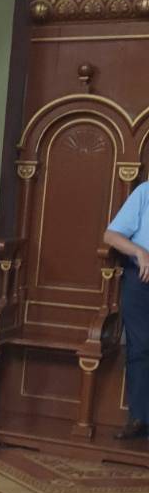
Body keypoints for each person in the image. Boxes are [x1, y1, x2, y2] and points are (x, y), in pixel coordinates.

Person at [104, 180, 149, 442]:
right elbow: (111, 235)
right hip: (142, 278)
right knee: (140, 347)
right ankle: (139, 418)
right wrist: (139, 251)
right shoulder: (145, 192)